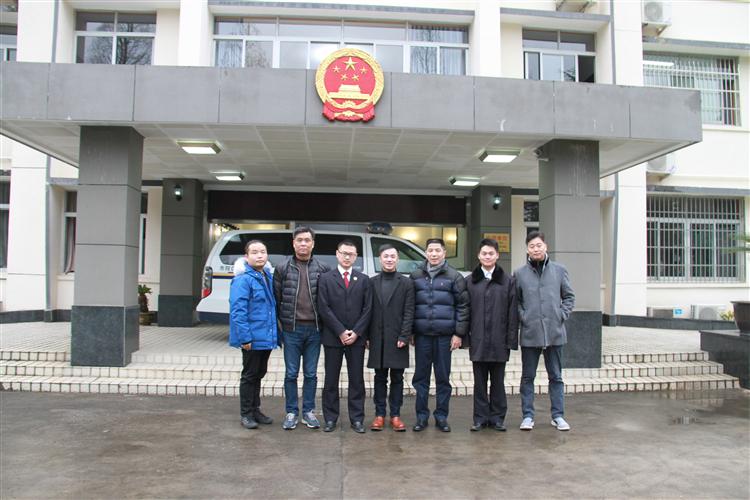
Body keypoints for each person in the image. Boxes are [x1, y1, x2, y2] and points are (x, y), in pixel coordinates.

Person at [514, 231, 575, 432]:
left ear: (545, 246)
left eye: (538, 245)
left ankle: (558, 416)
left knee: (556, 376)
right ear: (527, 249)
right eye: (531, 246)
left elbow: (569, 297)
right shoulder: (519, 274)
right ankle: (527, 416)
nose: (535, 249)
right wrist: (524, 317)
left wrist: (561, 315)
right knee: (527, 377)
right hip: (530, 333)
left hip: (554, 332)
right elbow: (516, 301)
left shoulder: (559, 270)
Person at [273, 226, 330, 431]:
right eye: (300, 240)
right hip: (291, 330)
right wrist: (281, 327)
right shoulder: (282, 268)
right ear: (293, 243)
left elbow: (328, 300)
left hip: (315, 330)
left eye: (307, 240)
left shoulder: (323, 268)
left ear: (313, 244)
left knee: (311, 374)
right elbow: (277, 299)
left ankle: (308, 411)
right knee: (291, 373)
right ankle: (291, 412)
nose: (303, 244)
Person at [410, 238, 469, 432]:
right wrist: (411, 331)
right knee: (421, 378)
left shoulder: (454, 276)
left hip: (445, 337)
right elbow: (410, 306)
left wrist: (459, 333)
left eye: (437, 250)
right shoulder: (416, 276)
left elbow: (463, 306)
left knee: (443, 378)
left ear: (444, 252)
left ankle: (441, 417)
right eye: (430, 250)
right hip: (422, 336)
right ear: (426, 253)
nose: (434, 254)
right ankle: (421, 417)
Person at [317, 240, 372, 433]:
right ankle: (330, 418)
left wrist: (356, 332)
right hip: (333, 337)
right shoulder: (325, 278)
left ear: (356, 257)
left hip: (357, 338)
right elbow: (324, 307)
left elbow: (368, 309)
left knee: (356, 379)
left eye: (351, 254)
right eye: (344, 253)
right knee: (331, 379)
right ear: (337, 254)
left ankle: (357, 419)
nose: (347, 257)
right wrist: (340, 331)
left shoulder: (363, 279)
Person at [465, 238, 518, 432]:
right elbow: (465, 311)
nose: (487, 256)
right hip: (478, 340)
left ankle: (497, 418)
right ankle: (479, 418)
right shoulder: (470, 281)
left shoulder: (508, 281)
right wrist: (466, 338)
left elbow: (513, 313)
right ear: (478, 256)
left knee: (498, 382)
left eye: (491, 253)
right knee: (479, 383)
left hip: (499, 341)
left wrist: (511, 341)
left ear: (497, 256)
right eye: (484, 253)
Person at [229, 240, 278, 430]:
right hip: (252, 337)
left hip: (266, 336)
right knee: (249, 375)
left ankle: (256, 410)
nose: (259, 255)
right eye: (255, 252)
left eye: (263, 252)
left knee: (259, 373)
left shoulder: (266, 276)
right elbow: (238, 311)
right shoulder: (243, 279)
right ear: (246, 256)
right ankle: (246, 413)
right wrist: (245, 337)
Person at [367, 244, 415, 432]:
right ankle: (379, 415)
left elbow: (409, 311)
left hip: (398, 338)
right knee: (379, 377)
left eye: (392, 256)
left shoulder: (406, 283)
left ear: (397, 259)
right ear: (380, 259)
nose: (389, 259)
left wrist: (405, 335)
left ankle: (395, 415)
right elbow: (367, 311)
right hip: (377, 337)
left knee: (397, 378)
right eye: (385, 256)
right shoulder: (371, 282)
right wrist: (367, 336)